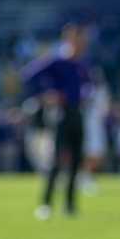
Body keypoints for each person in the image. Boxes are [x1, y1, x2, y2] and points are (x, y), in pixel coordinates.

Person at [24, 24, 89, 220]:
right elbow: (29, 75)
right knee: (56, 160)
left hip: (77, 113)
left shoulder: (80, 64)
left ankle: (69, 205)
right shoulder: (58, 61)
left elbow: (87, 86)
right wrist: (46, 94)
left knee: (76, 161)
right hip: (60, 114)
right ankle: (46, 203)